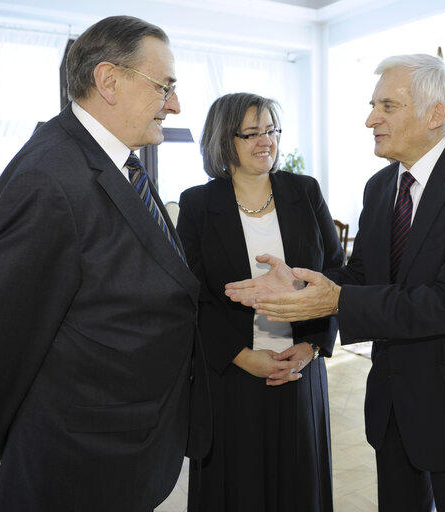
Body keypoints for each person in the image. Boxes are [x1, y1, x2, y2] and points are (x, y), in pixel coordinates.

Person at [226, 54, 445, 511]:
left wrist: (334, 300)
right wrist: (303, 286)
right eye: (372, 105)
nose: (370, 119)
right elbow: (364, 275)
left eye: (387, 106)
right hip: (393, 406)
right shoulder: (380, 186)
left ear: (435, 114)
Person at [0, 15, 210, 512]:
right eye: (165, 87)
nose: (175, 104)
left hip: (121, 448)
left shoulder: (115, 160)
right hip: (78, 460)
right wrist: (9, 437)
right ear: (108, 81)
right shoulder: (51, 178)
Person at [177, 92, 343, 511]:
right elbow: (189, 295)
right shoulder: (198, 204)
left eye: (271, 130)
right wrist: (241, 356)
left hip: (300, 367)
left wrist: (312, 347)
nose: (264, 140)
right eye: (251, 132)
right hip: (231, 374)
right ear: (222, 140)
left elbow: (338, 276)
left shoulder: (304, 191)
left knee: (299, 487)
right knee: (238, 489)